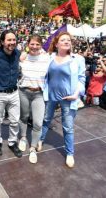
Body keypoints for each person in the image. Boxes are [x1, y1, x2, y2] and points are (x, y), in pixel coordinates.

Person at [39, 31, 85, 168]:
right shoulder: (49, 57)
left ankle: (70, 153)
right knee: (46, 119)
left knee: (68, 126)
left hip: (68, 98)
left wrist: (76, 94)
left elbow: (82, 79)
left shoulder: (77, 59)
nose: (66, 42)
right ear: (57, 43)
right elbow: (33, 53)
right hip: (51, 95)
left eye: (68, 40)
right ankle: (40, 140)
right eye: (63, 40)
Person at [0, 31, 22, 158]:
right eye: (9, 40)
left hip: (14, 93)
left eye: (14, 40)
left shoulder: (17, 53)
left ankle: (12, 142)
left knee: (14, 121)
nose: (12, 42)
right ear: (2, 42)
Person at [18, 35, 49, 164]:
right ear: (28, 44)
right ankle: (24, 138)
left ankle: (33, 148)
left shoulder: (46, 58)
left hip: (39, 94)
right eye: (32, 44)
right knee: (24, 117)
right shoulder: (22, 58)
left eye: (37, 44)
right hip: (23, 91)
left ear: (41, 45)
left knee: (38, 123)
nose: (34, 47)